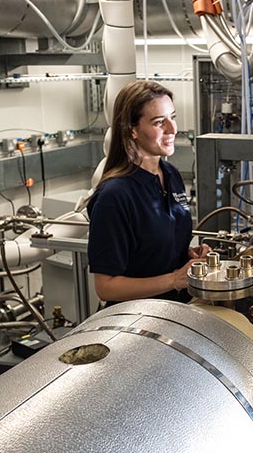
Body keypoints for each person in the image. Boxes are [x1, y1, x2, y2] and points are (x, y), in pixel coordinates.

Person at [87, 80, 209, 304]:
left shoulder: (170, 174)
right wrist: (175, 278)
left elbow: (157, 248)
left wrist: (188, 256)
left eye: (172, 117)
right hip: (133, 321)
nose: (172, 129)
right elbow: (106, 288)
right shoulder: (114, 196)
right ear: (132, 130)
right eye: (159, 122)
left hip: (174, 311)